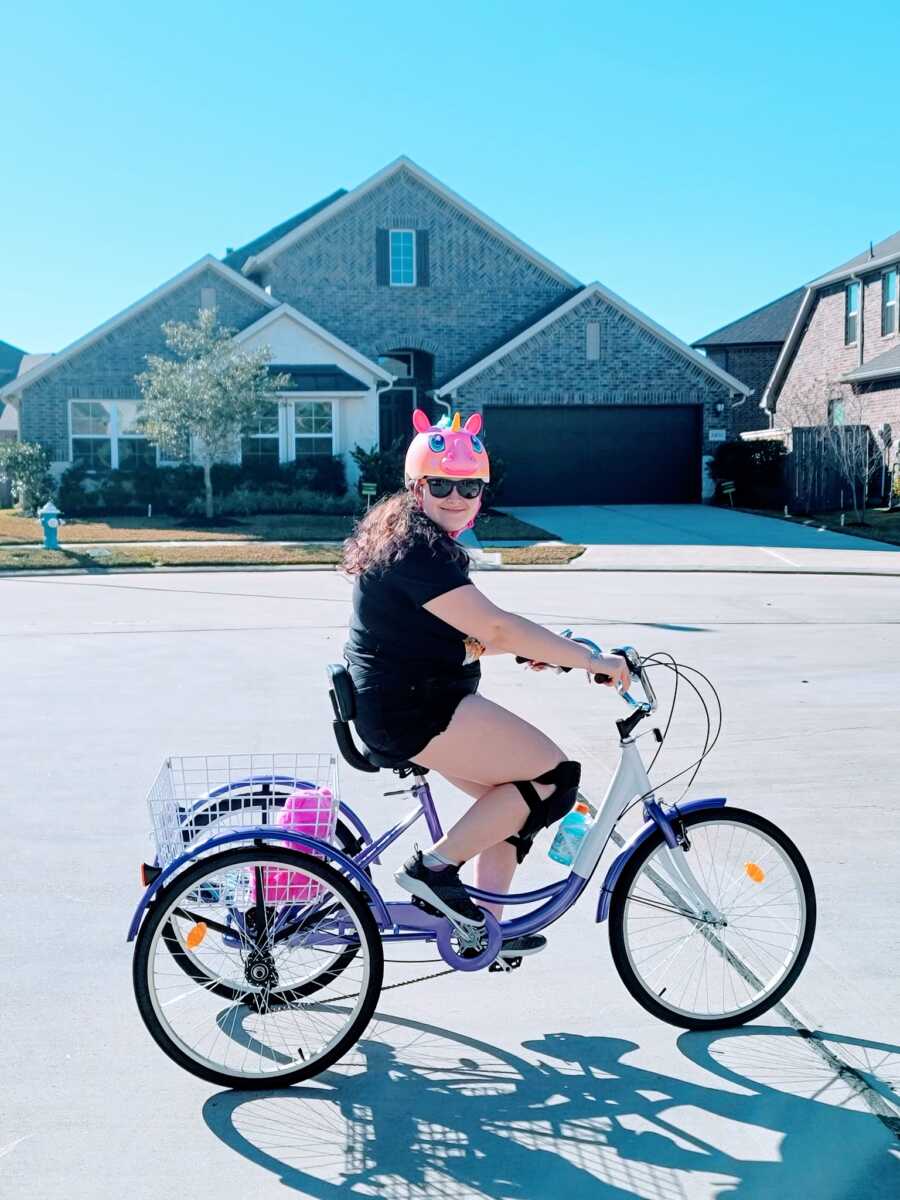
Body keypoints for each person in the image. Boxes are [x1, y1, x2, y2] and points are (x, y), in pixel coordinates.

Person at [341, 409, 630, 960]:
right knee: (553, 778)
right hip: (415, 709)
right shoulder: (417, 548)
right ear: (416, 486)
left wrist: (558, 653)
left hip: (408, 700)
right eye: (442, 484)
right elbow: (494, 624)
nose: (457, 496)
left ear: (482, 489)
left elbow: (465, 633)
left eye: (469, 485)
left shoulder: (413, 536)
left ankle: (484, 929)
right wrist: (593, 663)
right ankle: (433, 870)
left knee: (513, 803)